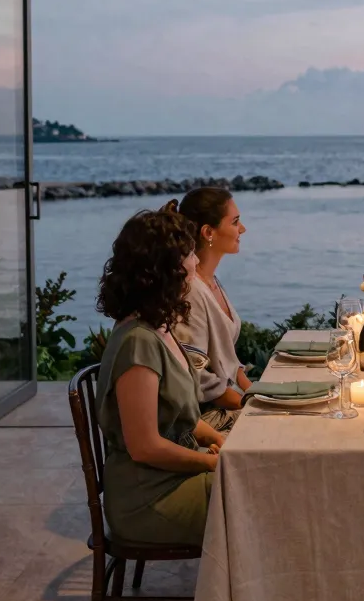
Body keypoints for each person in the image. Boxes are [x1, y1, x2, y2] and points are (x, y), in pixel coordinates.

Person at [94, 204, 224, 546]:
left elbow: (180, 414)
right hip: (149, 497)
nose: (196, 262)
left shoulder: (159, 327)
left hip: (170, 478)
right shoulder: (138, 342)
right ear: (164, 270)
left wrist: (220, 441)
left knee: (263, 479)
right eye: (189, 255)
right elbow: (146, 447)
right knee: (261, 493)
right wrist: (210, 465)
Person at [175, 186, 251, 432]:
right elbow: (196, 376)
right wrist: (249, 404)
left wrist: (258, 395)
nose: (242, 229)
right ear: (208, 232)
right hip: (206, 418)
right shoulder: (189, 291)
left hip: (231, 402)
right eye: (235, 222)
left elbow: (230, 361)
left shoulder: (211, 282)